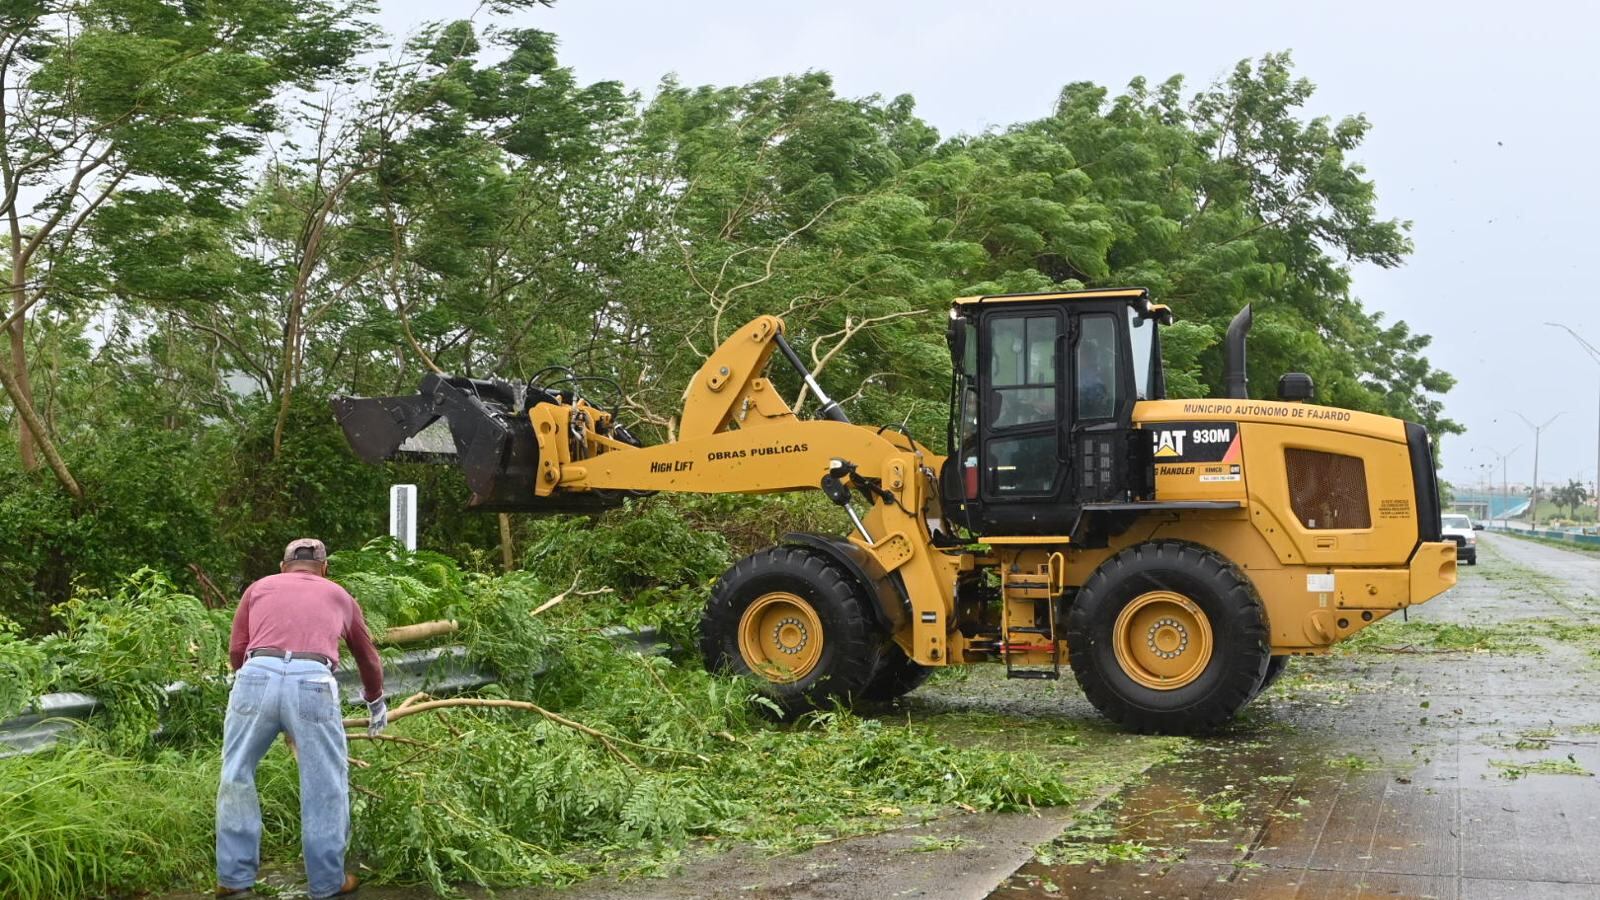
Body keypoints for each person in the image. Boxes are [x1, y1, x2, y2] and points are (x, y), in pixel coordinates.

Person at [216, 538, 387, 899]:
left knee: (236, 774)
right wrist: (375, 702)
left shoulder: (258, 588)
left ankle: (233, 879)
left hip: (255, 675)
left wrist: (253, 688)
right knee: (324, 783)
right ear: (324, 569)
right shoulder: (340, 595)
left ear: (283, 567)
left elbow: (236, 650)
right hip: (312, 680)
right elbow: (368, 658)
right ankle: (327, 883)